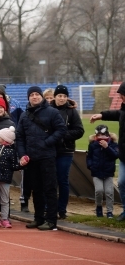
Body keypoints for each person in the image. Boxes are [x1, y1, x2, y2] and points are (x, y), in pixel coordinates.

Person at [16, 86, 67, 231]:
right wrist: (22, 154)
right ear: (28, 97)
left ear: (41, 96)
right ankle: (38, 218)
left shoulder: (52, 112)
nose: (34, 97)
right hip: (31, 158)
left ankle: (51, 220)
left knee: (50, 189)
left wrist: (47, 143)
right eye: (31, 94)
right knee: (36, 189)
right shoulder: (24, 115)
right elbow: (19, 137)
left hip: (47, 156)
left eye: (37, 94)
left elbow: (61, 130)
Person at [89, 82, 125, 221]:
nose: (122, 98)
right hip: (123, 155)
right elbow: (117, 113)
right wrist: (101, 115)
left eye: (123, 95)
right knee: (121, 182)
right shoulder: (123, 110)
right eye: (121, 96)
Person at [52, 85, 85, 219]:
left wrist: (63, 135)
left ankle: (62, 209)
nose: (62, 98)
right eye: (59, 96)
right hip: (50, 150)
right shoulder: (48, 110)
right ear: (55, 97)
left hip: (66, 151)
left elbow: (79, 130)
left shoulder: (72, 112)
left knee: (63, 180)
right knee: (50, 180)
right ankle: (50, 208)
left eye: (64, 96)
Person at [86, 125, 118, 218]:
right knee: (99, 191)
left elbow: (115, 156)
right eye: (98, 135)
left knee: (109, 192)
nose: (100, 137)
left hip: (108, 172)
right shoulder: (92, 144)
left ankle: (109, 211)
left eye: (102, 134)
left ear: (107, 134)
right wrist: (91, 166)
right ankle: (99, 207)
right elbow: (89, 157)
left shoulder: (113, 144)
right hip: (96, 172)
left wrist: (107, 147)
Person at [0, 126, 19, 228]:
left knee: (4, 200)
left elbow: (14, 166)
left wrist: (22, 164)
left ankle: (5, 218)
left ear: (4, 139)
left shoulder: (11, 152)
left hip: (6, 179)